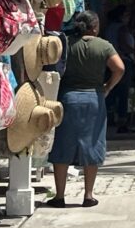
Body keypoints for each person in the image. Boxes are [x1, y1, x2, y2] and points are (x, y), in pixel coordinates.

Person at [47, 11, 124, 208]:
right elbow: (120, 68)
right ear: (95, 27)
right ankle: (88, 195)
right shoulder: (104, 46)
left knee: (62, 146)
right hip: (94, 99)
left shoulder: (66, 44)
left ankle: (59, 196)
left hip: (67, 99)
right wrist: (107, 87)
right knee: (92, 145)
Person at [104, 6, 135, 134]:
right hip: (123, 61)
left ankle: (108, 118)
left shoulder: (109, 28)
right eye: (126, 15)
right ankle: (122, 122)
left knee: (111, 91)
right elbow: (124, 45)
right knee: (123, 93)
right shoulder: (121, 28)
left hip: (109, 62)